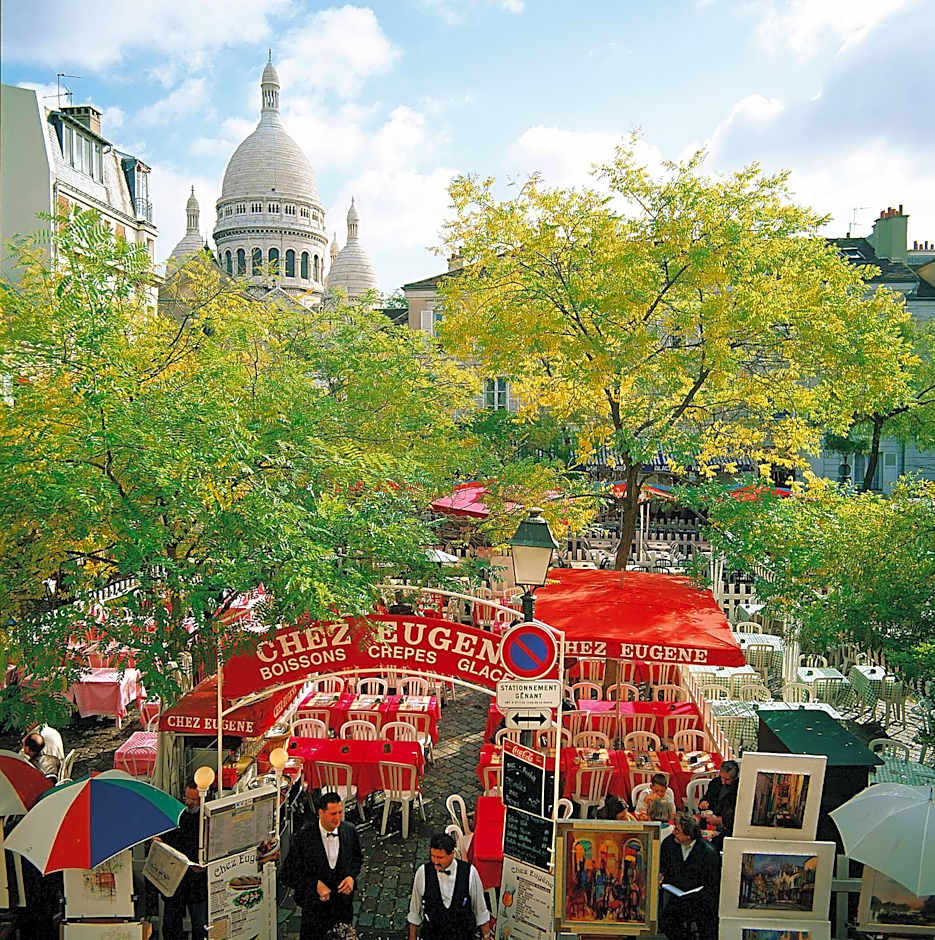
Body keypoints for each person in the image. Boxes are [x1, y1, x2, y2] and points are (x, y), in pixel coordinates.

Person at [281, 791, 363, 939]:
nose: (338, 818)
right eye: (333, 814)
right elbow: (288, 873)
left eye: (340, 812)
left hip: (342, 909)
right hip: (314, 911)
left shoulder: (350, 831)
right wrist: (314, 885)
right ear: (320, 813)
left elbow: (357, 860)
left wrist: (351, 877)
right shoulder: (304, 837)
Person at [407, 831, 491, 940]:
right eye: (433, 856)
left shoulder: (470, 873)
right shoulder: (422, 873)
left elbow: (480, 911)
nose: (435, 862)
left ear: (452, 854)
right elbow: (415, 911)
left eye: (440, 858)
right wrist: (412, 937)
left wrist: (486, 936)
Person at [158, 779, 209, 940]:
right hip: (175, 881)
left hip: (197, 883)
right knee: (171, 924)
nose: (190, 803)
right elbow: (164, 836)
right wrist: (157, 840)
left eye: (194, 800)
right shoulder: (176, 813)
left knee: (201, 926)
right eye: (188, 798)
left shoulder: (208, 818)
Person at [659, 813, 720, 940]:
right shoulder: (668, 844)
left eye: (678, 830)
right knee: (665, 922)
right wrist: (661, 876)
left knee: (708, 926)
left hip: (700, 898)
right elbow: (663, 868)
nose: (674, 832)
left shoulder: (708, 852)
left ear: (689, 835)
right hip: (677, 895)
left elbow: (712, 882)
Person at [698, 760, 739, 848]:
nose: (723, 782)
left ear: (735, 778)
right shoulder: (715, 783)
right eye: (721, 778)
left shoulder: (739, 789)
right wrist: (703, 804)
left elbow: (738, 816)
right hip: (709, 822)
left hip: (728, 828)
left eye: (727, 779)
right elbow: (707, 798)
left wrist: (720, 820)